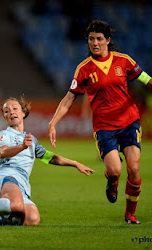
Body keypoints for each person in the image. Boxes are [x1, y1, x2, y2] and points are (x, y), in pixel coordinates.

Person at [48, 20, 152, 224]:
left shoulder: (123, 61)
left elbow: (146, 79)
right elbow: (69, 99)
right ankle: (112, 180)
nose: (95, 43)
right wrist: (53, 123)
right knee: (115, 170)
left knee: (134, 169)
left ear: (108, 40)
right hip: (105, 127)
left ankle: (130, 214)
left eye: (99, 39)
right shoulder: (84, 69)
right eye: (91, 39)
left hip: (130, 121)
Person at [0, 96, 94, 226]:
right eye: (6, 111)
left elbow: (50, 158)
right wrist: (22, 146)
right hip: (5, 179)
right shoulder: (5, 134)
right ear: (5, 117)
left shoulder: (32, 140)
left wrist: (75, 163)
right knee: (17, 206)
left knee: (32, 219)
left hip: (22, 187)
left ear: (23, 113)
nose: (11, 112)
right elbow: (3, 152)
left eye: (14, 108)